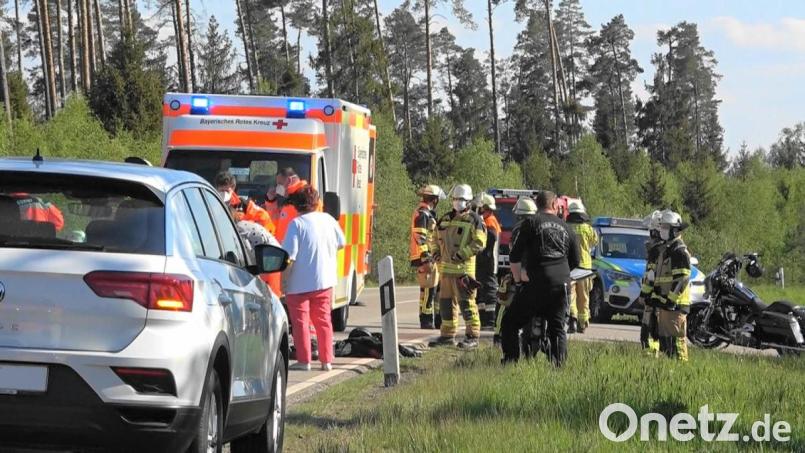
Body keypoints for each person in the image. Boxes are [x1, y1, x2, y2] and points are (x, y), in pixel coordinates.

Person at [501, 191, 580, 366]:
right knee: (558, 328)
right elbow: (576, 260)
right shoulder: (567, 228)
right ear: (554, 206)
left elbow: (514, 256)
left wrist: (519, 279)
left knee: (510, 323)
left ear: (537, 205)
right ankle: (559, 367)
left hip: (536, 282)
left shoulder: (530, 223)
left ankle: (510, 362)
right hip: (560, 284)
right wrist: (562, 274)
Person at [281, 186, 346, 371]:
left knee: (300, 322)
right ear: (317, 202)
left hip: (299, 282)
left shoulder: (296, 224)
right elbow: (341, 243)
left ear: (296, 205)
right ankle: (327, 361)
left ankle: (305, 360)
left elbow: (289, 257)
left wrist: (284, 280)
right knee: (324, 321)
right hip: (324, 280)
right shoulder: (328, 220)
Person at [428, 184, 486, 349]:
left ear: (468, 201)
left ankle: (472, 336)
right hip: (445, 271)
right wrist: (436, 254)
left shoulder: (475, 219)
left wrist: (463, 254)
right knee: (446, 305)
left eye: (460, 199)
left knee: (467, 304)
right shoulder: (445, 219)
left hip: (464, 272)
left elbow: (480, 242)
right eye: (455, 199)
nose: (457, 202)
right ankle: (447, 336)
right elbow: (434, 238)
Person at [650, 210, 692, 362]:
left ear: (675, 230)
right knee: (667, 342)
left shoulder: (679, 251)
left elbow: (682, 279)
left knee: (677, 342)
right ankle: (671, 368)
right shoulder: (668, 250)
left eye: (666, 227)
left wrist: (671, 300)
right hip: (666, 304)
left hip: (676, 305)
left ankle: (681, 370)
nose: (662, 230)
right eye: (662, 226)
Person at [494, 196, 537, 344]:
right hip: (538, 276)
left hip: (520, 274)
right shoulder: (540, 227)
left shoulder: (518, 229)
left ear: (519, 214)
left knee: (503, 299)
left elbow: (514, 253)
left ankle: (498, 335)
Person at [410, 184, 446, 330]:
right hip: (425, 258)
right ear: (435, 200)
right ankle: (426, 320)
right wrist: (426, 258)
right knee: (427, 291)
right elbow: (420, 237)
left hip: (432, 257)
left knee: (436, 291)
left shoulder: (428, 214)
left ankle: (438, 319)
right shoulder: (422, 214)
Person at [566, 200, 598, 334]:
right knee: (584, 296)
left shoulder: (566, 227)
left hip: (570, 266)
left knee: (571, 294)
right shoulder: (588, 229)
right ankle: (583, 323)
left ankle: (572, 319)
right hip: (585, 266)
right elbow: (594, 242)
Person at [472, 193, 501, 330]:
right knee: (481, 294)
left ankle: (489, 322)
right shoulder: (488, 221)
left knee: (489, 293)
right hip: (484, 264)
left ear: (485, 208)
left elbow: (486, 245)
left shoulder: (489, 223)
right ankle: (484, 321)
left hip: (488, 265)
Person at [639, 210, 663, 356]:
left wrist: (644, 294)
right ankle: (654, 351)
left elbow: (651, 275)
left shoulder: (656, 250)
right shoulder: (666, 248)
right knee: (656, 326)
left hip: (653, 296)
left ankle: (649, 352)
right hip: (662, 296)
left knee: (649, 325)